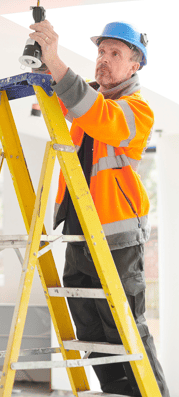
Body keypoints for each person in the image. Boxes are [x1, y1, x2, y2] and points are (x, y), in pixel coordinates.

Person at [28, 21, 169, 397]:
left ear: (134, 66)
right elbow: (59, 101)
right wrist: (42, 63)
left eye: (115, 54)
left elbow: (99, 116)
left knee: (123, 325)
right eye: (101, 52)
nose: (103, 59)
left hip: (115, 234)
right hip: (77, 229)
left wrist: (56, 61)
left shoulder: (137, 110)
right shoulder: (87, 100)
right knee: (89, 326)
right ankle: (116, 390)